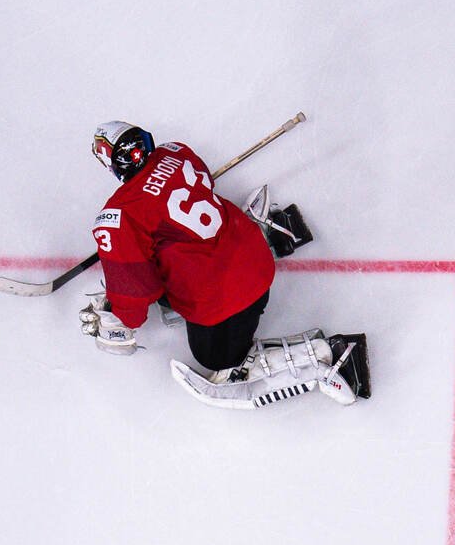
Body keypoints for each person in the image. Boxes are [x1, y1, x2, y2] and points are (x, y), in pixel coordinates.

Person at [79, 122, 369, 408]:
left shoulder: (118, 216)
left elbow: (136, 293)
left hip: (226, 302)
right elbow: (203, 180)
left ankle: (330, 357)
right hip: (256, 259)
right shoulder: (176, 152)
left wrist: (116, 317)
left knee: (217, 357)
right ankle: (271, 230)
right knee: (181, 244)